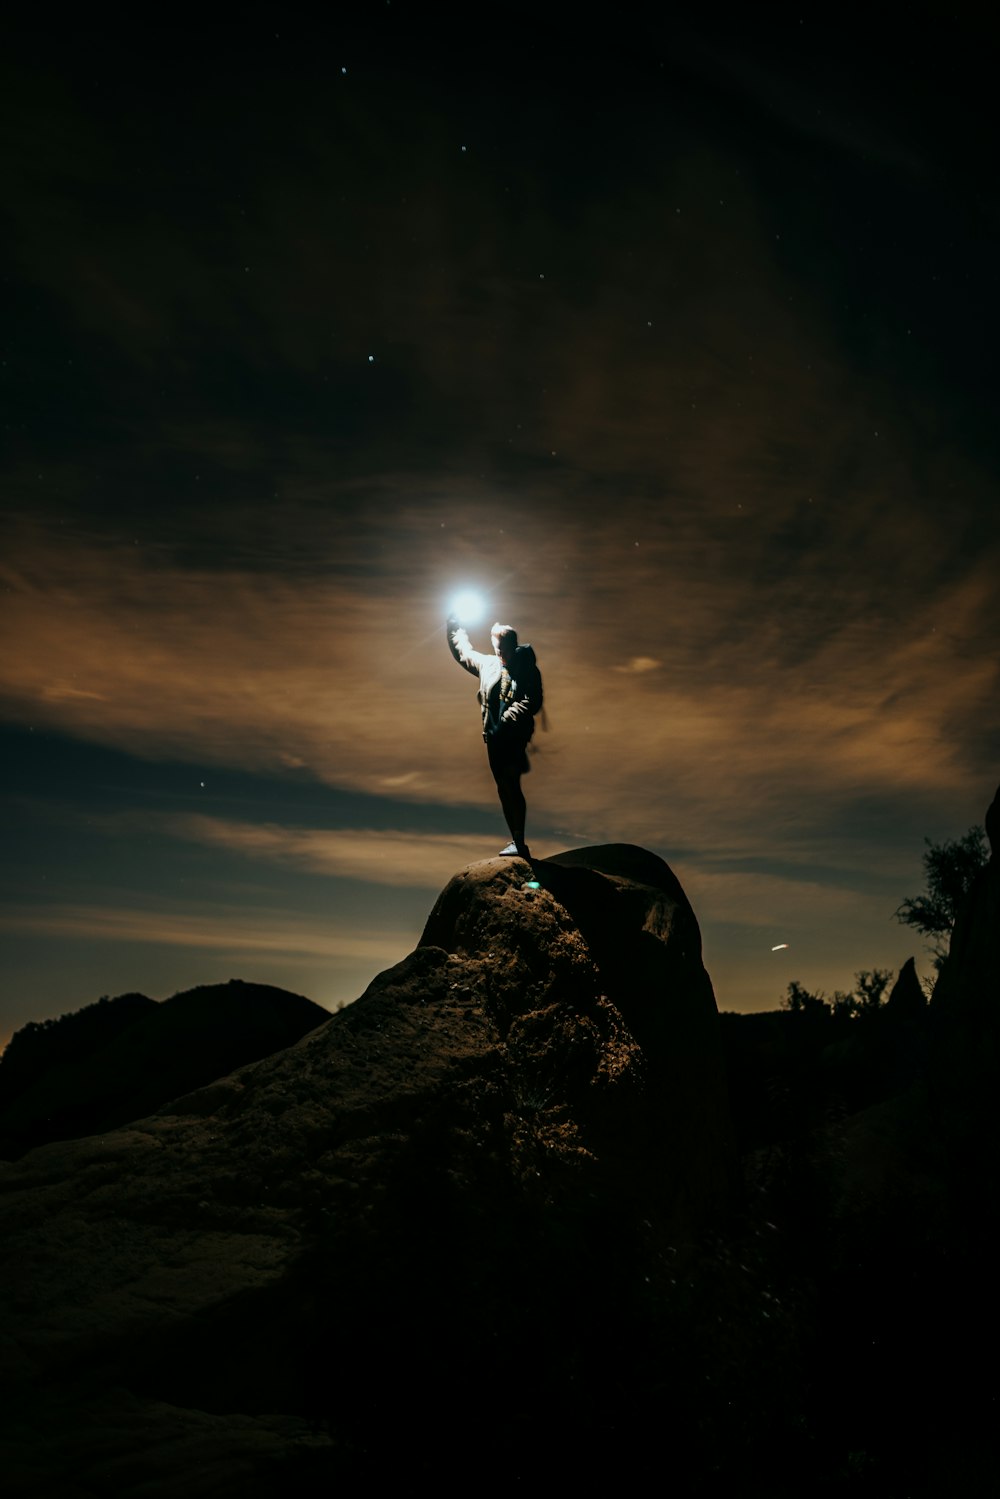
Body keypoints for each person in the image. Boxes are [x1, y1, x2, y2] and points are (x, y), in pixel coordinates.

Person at [446, 615, 543, 859]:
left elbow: (533, 699)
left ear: (512, 645)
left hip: (513, 737)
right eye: (497, 648)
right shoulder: (489, 664)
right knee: (503, 787)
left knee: (511, 783)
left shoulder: (526, 668)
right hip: (494, 738)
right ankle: (516, 841)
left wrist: (511, 716)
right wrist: (453, 626)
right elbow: (463, 652)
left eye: (504, 648)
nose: (501, 653)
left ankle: (519, 841)